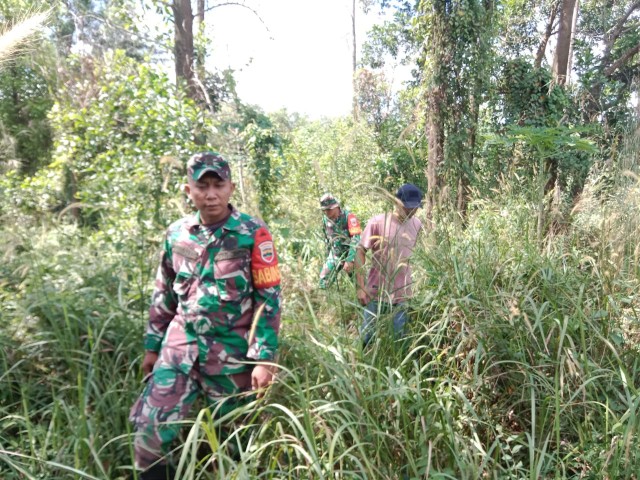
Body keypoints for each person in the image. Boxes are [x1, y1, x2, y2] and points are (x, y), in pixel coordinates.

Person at [129, 152, 281, 480]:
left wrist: (264, 360)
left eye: (218, 185)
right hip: (179, 349)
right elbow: (164, 294)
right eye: (202, 186)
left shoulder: (253, 232)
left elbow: (268, 299)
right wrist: (152, 347)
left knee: (235, 446)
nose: (210, 194)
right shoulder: (176, 234)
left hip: (232, 353)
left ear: (231, 188)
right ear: (188, 190)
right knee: (150, 434)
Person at [355, 184, 423, 346]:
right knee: (366, 338)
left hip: (402, 294)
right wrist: (360, 286)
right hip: (376, 292)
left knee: (400, 340)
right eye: (407, 208)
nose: (411, 212)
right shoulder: (377, 222)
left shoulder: (417, 224)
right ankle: (359, 365)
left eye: (415, 208)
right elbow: (360, 252)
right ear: (396, 202)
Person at [318, 193, 362, 289]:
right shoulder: (325, 220)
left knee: (360, 285)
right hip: (336, 255)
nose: (326, 212)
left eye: (329, 209)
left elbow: (356, 239)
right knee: (323, 282)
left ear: (336, 206)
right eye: (324, 210)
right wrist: (327, 256)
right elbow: (327, 240)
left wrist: (350, 259)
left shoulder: (349, 217)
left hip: (352, 254)